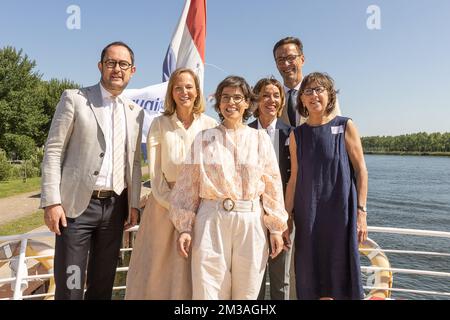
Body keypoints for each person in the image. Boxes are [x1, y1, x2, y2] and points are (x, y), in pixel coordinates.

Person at [168, 76, 288, 300]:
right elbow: (187, 186)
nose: (231, 102)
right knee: (208, 291)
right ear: (219, 103)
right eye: (225, 97)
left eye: (237, 97)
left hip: (251, 221)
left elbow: (272, 185)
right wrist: (184, 227)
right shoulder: (203, 139)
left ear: (247, 103)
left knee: (248, 293)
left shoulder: (260, 139)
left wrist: (276, 228)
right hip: (211, 220)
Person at [40, 41, 144, 300]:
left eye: (123, 64)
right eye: (111, 63)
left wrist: (133, 204)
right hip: (76, 210)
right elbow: (53, 150)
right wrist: (51, 201)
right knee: (72, 285)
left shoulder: (135, 113)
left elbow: (133, 163)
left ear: (133, 70)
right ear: (100, 66)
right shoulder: (75, 99)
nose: (116, 69)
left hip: (115, 210)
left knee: (102, 283)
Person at [125, 68, 217, 300]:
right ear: (171, 93)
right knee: (159, 271)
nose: (184, 92)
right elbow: (155, 176)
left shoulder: (211, 125)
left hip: (201, 208)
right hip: (164, 207)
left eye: (189, 87)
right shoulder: (159, 124)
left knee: (198, 270)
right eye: (178, 87)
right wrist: (178, 207)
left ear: (197, 91)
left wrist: (196, 207)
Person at [284, 72, 368, 300]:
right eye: (308, 91)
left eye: (319, 90)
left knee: (339, 273)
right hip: (308, 215)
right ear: (301, 99)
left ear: (330, 95)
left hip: (340, 213)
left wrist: (361, 213)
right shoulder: (296, 135)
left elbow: (361, 170)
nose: (313, 95)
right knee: (310, 273)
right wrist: (287, 217)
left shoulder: (345, 126)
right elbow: (294, 179)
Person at [249, 77, 293, 300]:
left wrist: (287, 219)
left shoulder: (292, 134)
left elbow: (295, 179)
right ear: (256, 100)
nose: (271, 100)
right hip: (250, 218)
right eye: (266, 95)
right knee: (251, 279)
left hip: (281, 219)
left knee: (280, 281)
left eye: (276, 95)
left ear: (282, 101)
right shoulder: (243, 133)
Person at [273, 36, 341, 127]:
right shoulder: (273, 99)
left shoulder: (323, 93)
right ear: (276, 64)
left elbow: (337, 128)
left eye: (291, 57)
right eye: (280, 60)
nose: (286, 64)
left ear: (302, 59)